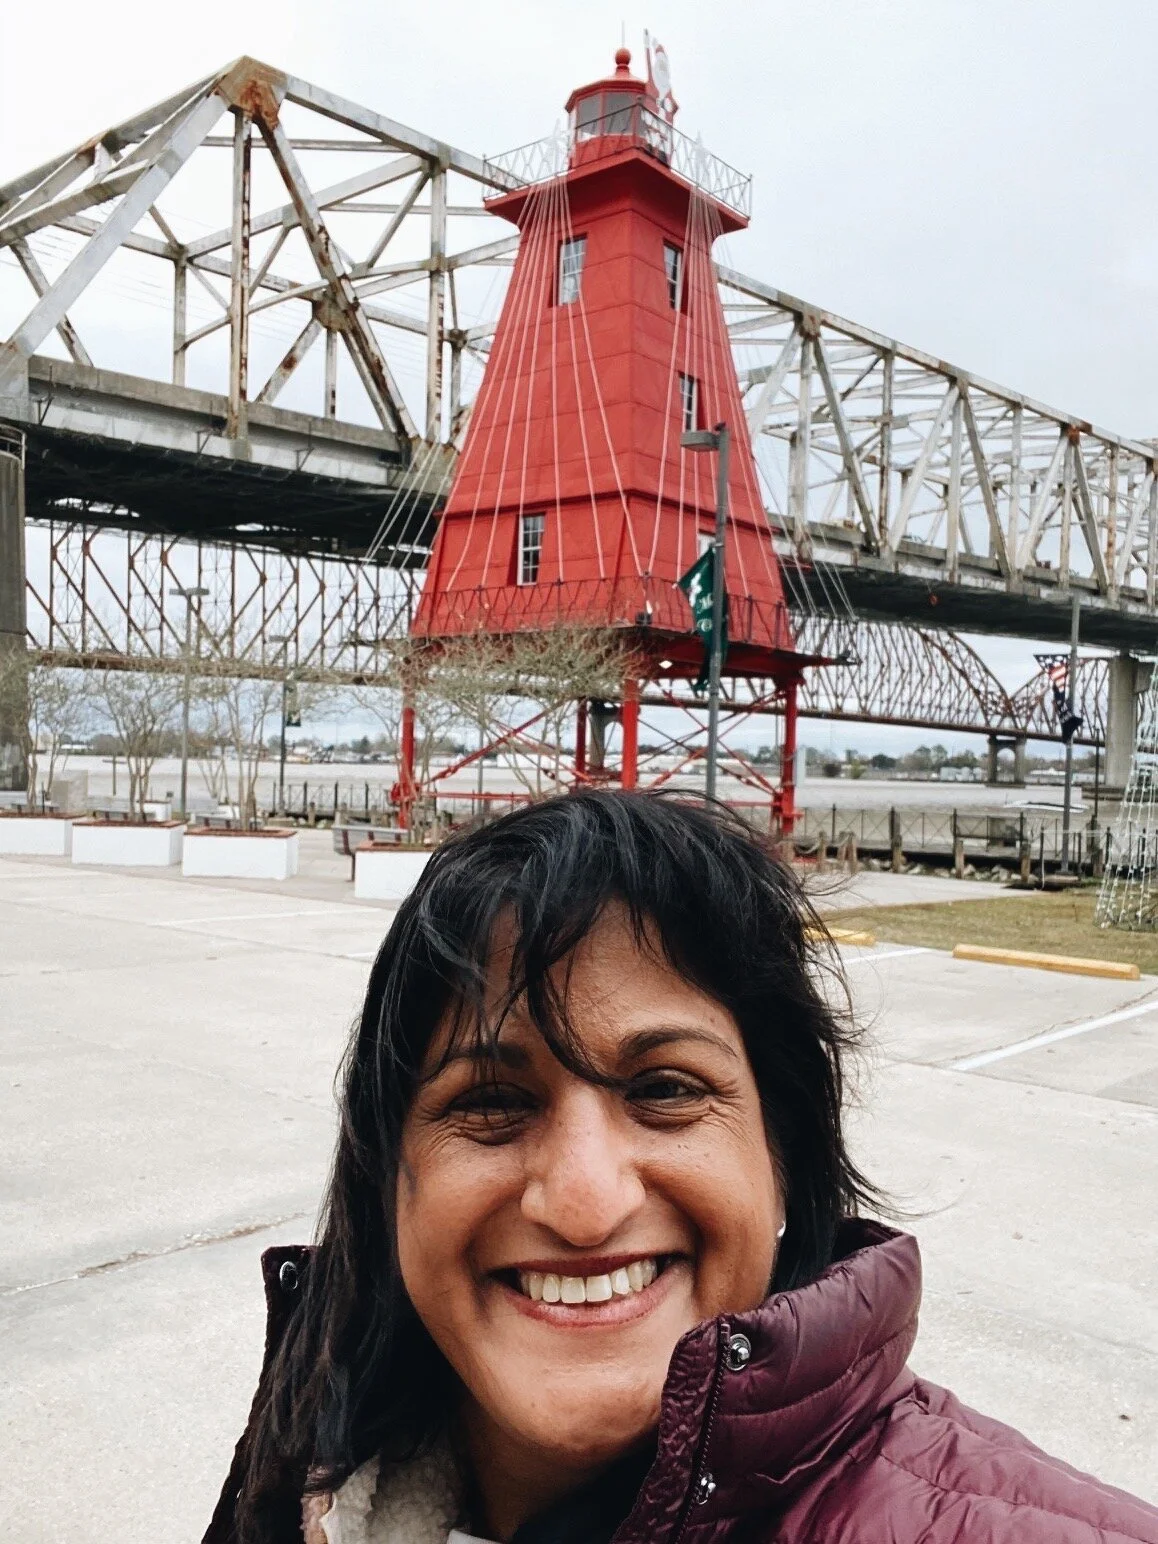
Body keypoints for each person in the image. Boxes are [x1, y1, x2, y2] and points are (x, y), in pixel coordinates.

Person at [204, 791, 1158, 1544]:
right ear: (386, 1173)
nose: (584, 1203)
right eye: (491, 1102)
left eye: (665, 1089)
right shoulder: (305, 1470)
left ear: (785, 1153)